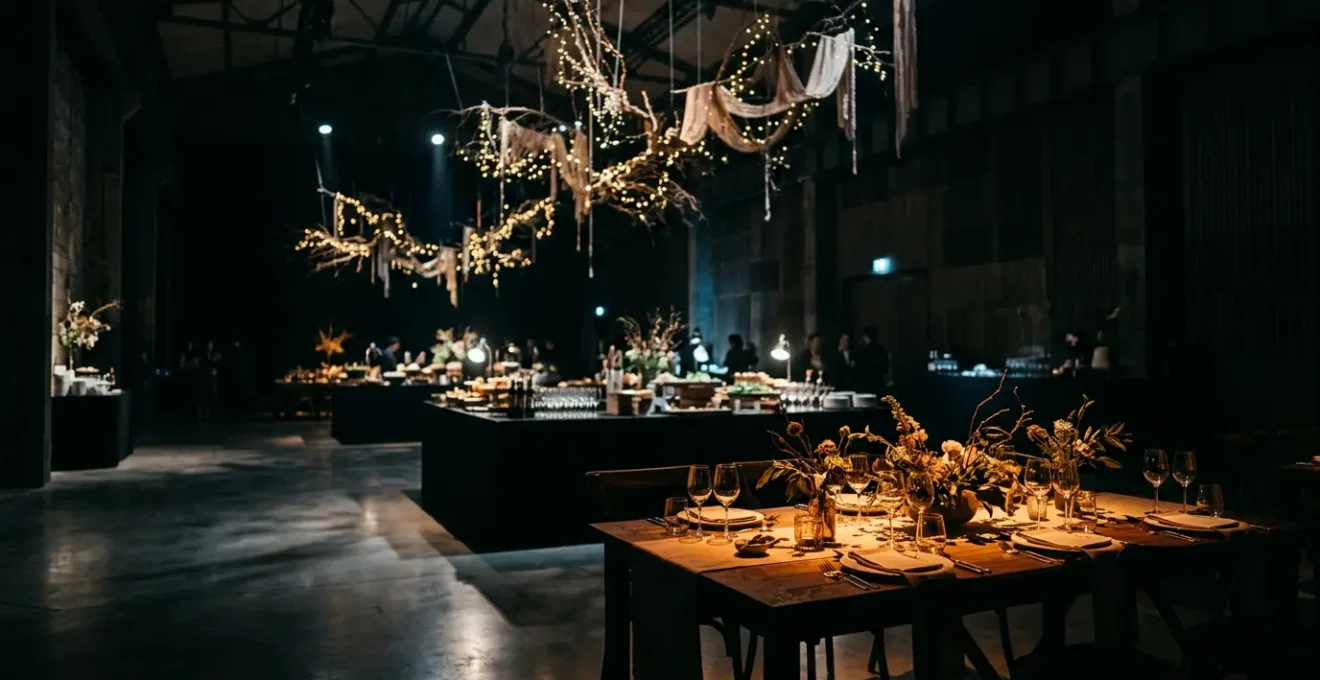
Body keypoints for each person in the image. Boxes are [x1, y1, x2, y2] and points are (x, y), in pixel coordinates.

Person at [856, 327, 890, 394]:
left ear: (866, 337)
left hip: (866, 384)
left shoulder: (863, 350)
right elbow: (886, 368)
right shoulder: (882, 349)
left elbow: (860, 368)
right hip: (879, 383)